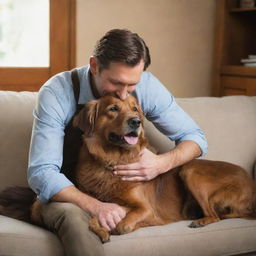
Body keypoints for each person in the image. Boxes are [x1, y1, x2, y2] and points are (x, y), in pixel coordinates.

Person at [28, 29, 208, 256]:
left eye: (132, 85)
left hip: (117, 190)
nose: (124, 95)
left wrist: (161, 163)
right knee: (75, 218)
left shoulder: (147, 87)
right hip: (68, 191)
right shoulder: (57, 92)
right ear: (94, 66)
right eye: (116, 83)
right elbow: (42, 173)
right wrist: (97, 207)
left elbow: (196, 138)